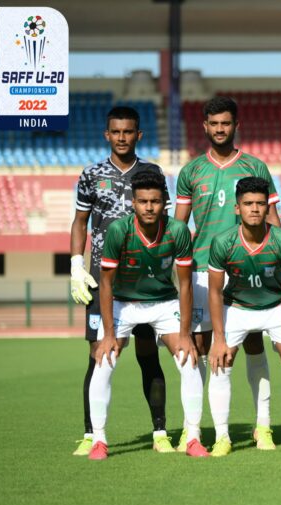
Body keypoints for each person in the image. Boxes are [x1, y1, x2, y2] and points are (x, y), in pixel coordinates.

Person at [174, 96, 281, 451]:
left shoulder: (254, 166)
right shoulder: (191, 171)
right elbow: (179, 226)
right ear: (204, 126)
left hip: (248, 268)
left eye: (226, 123)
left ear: (236, 126)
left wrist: (278, 260)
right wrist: (175, 266)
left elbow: (272, 220)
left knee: (253, 343)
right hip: (204, 270)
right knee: (201, 348)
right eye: (214, 123)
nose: (220, 129)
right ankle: (194, 428)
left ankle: (263, 426)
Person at [70, 106, 172, 455]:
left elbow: (164, 223)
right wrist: (76, 264)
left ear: (138, 135)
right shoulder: (92, 174)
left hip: (144, 281)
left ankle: (160, 432)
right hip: (104, 280)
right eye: (116, 132)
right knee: (98, 354)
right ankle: (91, 435)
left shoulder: (152, 173)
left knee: (148, 355)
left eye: (128, 131)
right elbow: (79, 222)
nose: (122, 137)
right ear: (107, 135)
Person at [87, 171, 208, 460]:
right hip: (124, 303)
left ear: (165, 202)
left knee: (189, 360)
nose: (149, 207)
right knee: (104, 361)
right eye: (143, 201)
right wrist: (108, 334)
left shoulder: (178, 231)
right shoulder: (119, 231)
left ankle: (192, 437)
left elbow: (185, 285)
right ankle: (99, 440)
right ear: (134, 203)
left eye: (155, 201)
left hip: (164, 302)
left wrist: (186, 334)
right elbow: (106, 283)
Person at [207, 177, 281, 456]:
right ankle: (222, 437)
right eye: (248, 203)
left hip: (277, 306)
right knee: (221, 361)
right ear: (237, 208)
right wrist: (218, 339)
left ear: (268, 207)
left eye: (260, 204)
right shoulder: (223, 242)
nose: (254, 209)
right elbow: (214, 292)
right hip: (238, 307)